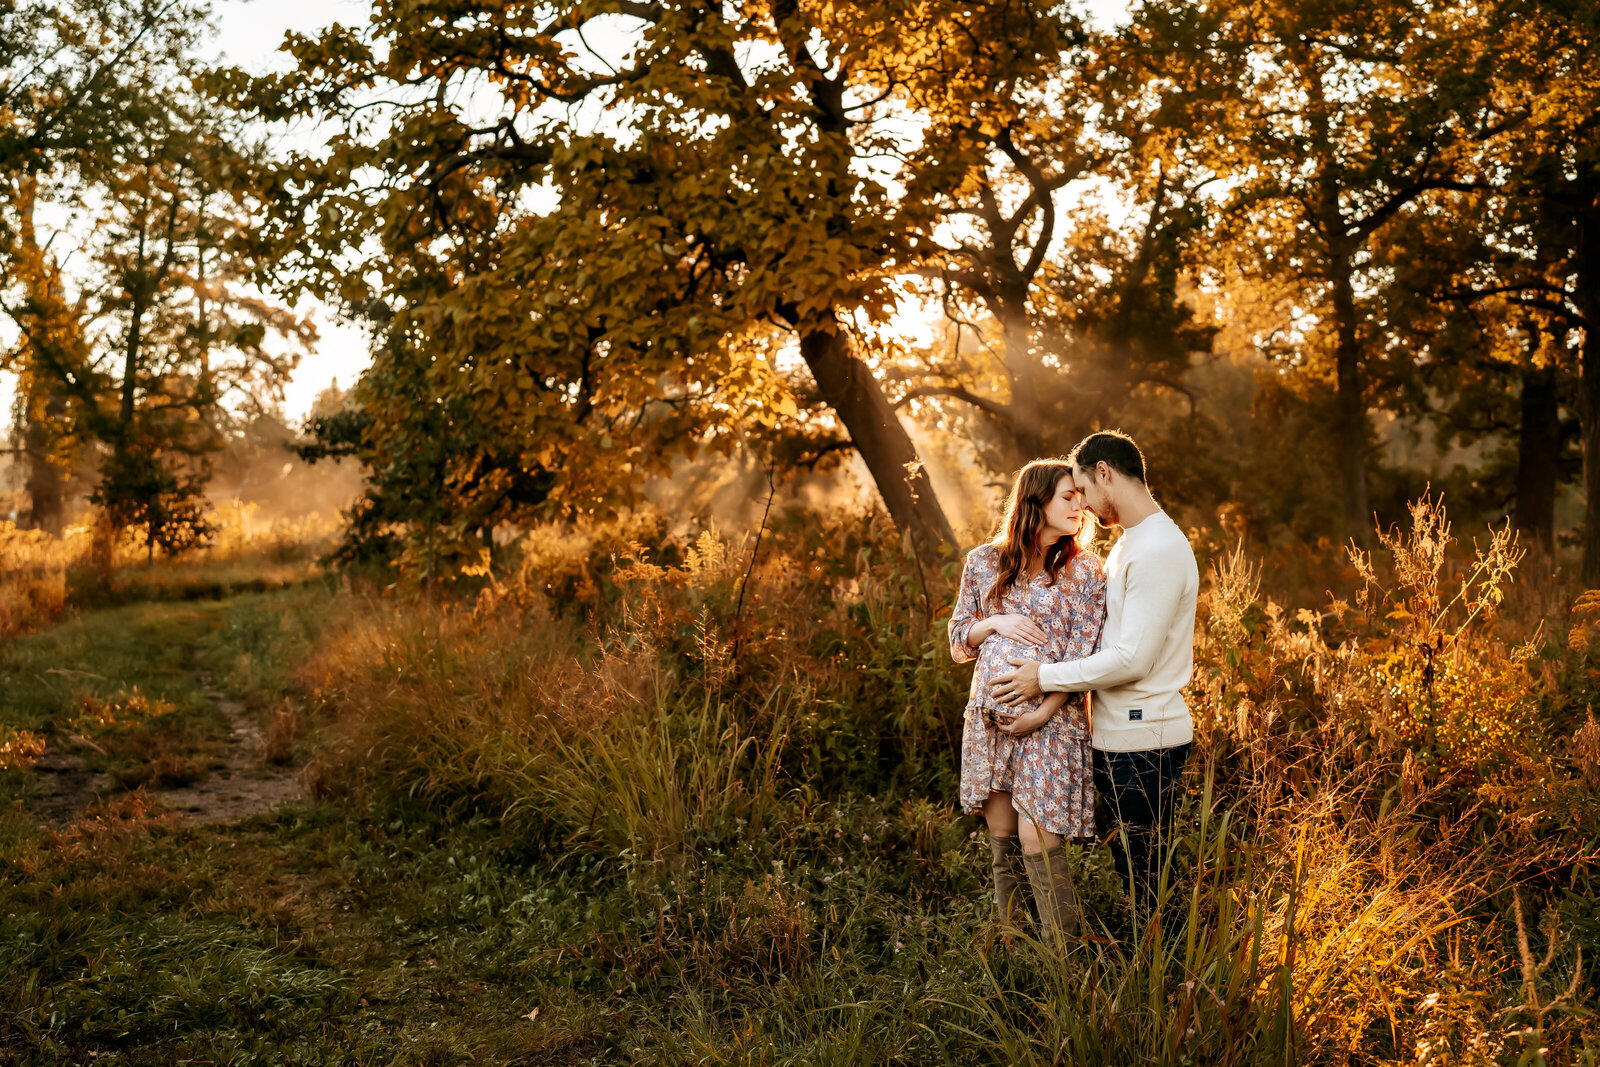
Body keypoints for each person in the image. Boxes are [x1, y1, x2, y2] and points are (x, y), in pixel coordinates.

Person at [992, 431, 1198, 920]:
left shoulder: (1159, 549)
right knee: (1134, 871)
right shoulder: (1132, 542)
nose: (1080, 503)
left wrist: (1044, 676)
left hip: (1147, 739)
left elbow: (1133, 659)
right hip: (1118, 737)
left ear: (1104, 472)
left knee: (1150, 875)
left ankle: (1164, 981)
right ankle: (1148, 972)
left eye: (1082, 487)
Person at [948, 460, 1107, 942]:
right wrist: (995, 623)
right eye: (1068, 497)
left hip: (1051, 721)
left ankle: (1064, 960)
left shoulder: (1084, 571)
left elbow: (1086, 654)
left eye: (1081, 496)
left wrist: (1040, 712)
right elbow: (958, 640)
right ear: (1034, 502)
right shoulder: (983, 561)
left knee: (1037, 832)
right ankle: (1016, 953)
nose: (1080, 506)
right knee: (1002, 832)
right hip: (989, 719)